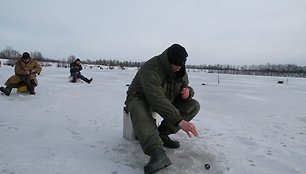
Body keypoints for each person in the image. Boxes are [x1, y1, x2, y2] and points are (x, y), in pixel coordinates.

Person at [124, 44, 200, 174]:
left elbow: (185, 85)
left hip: (164, 98)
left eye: (181, 65)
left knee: (193, 105)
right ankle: (157, 152)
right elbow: (156, 99)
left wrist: (188, 92)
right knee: (139, 110)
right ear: (168, 61)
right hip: (139, 97)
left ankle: (162, 134)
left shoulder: (180, 70)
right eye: (175, 65)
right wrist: (179, 121)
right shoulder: (151, 68)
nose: (178, 69)